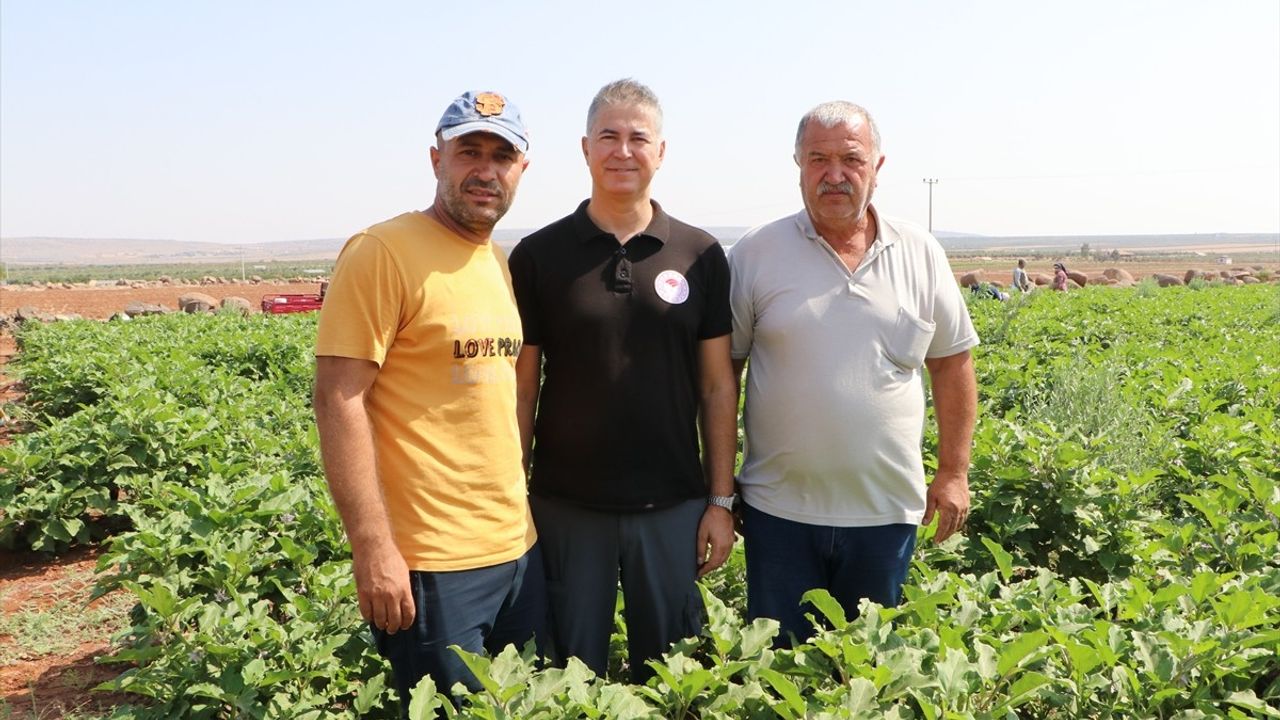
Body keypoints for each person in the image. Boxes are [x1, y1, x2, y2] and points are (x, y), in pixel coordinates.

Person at [313, 91, 545, 711]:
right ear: (437, 158)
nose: (486, 170)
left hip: (516, 549)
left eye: (502, 156)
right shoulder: (382, 252)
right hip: (431, 563)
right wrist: (373, 546)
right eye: (470, 151)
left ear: (522, 169)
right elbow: (338, 399)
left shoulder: (497, 262)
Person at [508, 79, 737, 682]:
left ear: (661, 151)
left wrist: (720, 501)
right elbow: (522, 388)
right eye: (608, 136)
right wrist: (513, 492)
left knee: (672, 675)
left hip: (672, 505)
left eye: (639, 137)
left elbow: (717, 387)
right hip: (563, 505)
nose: (623, 151)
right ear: (585, 148)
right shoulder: (538, 256)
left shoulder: (700, 254)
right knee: (566, 673)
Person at [728, 101, 979, 646]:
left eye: (851, 159)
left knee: (869, 666)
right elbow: (724, 375)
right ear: (798, 164)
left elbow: (951, 362)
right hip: (778, 513)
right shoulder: (755, 253)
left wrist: (954, 472)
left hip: (886, 514)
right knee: (781, 666)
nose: (834, 175)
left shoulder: (919, 252)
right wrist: (719, 489)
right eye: (818, 159)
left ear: (877, 166)